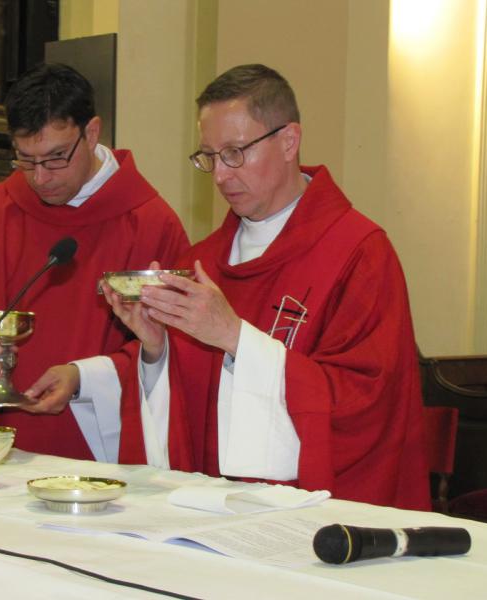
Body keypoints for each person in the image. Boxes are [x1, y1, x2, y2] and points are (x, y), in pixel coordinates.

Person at [101, 64, 430, 510]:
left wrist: (234, 338)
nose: (220, 175)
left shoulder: (359, 253)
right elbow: (186, 417)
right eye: (209, 157)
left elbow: (367, 405)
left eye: (235, 152)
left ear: (289, 141)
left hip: (312, 521)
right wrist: (157, 348)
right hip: (209, 515)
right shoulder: (202, 261)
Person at [0, 63, 190, 462]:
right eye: (25, 160)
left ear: (92, 133)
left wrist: (84, 379)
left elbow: (174, 349)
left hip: (99, 459)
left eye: (55, 159)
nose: (40, 179)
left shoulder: (149, 222)